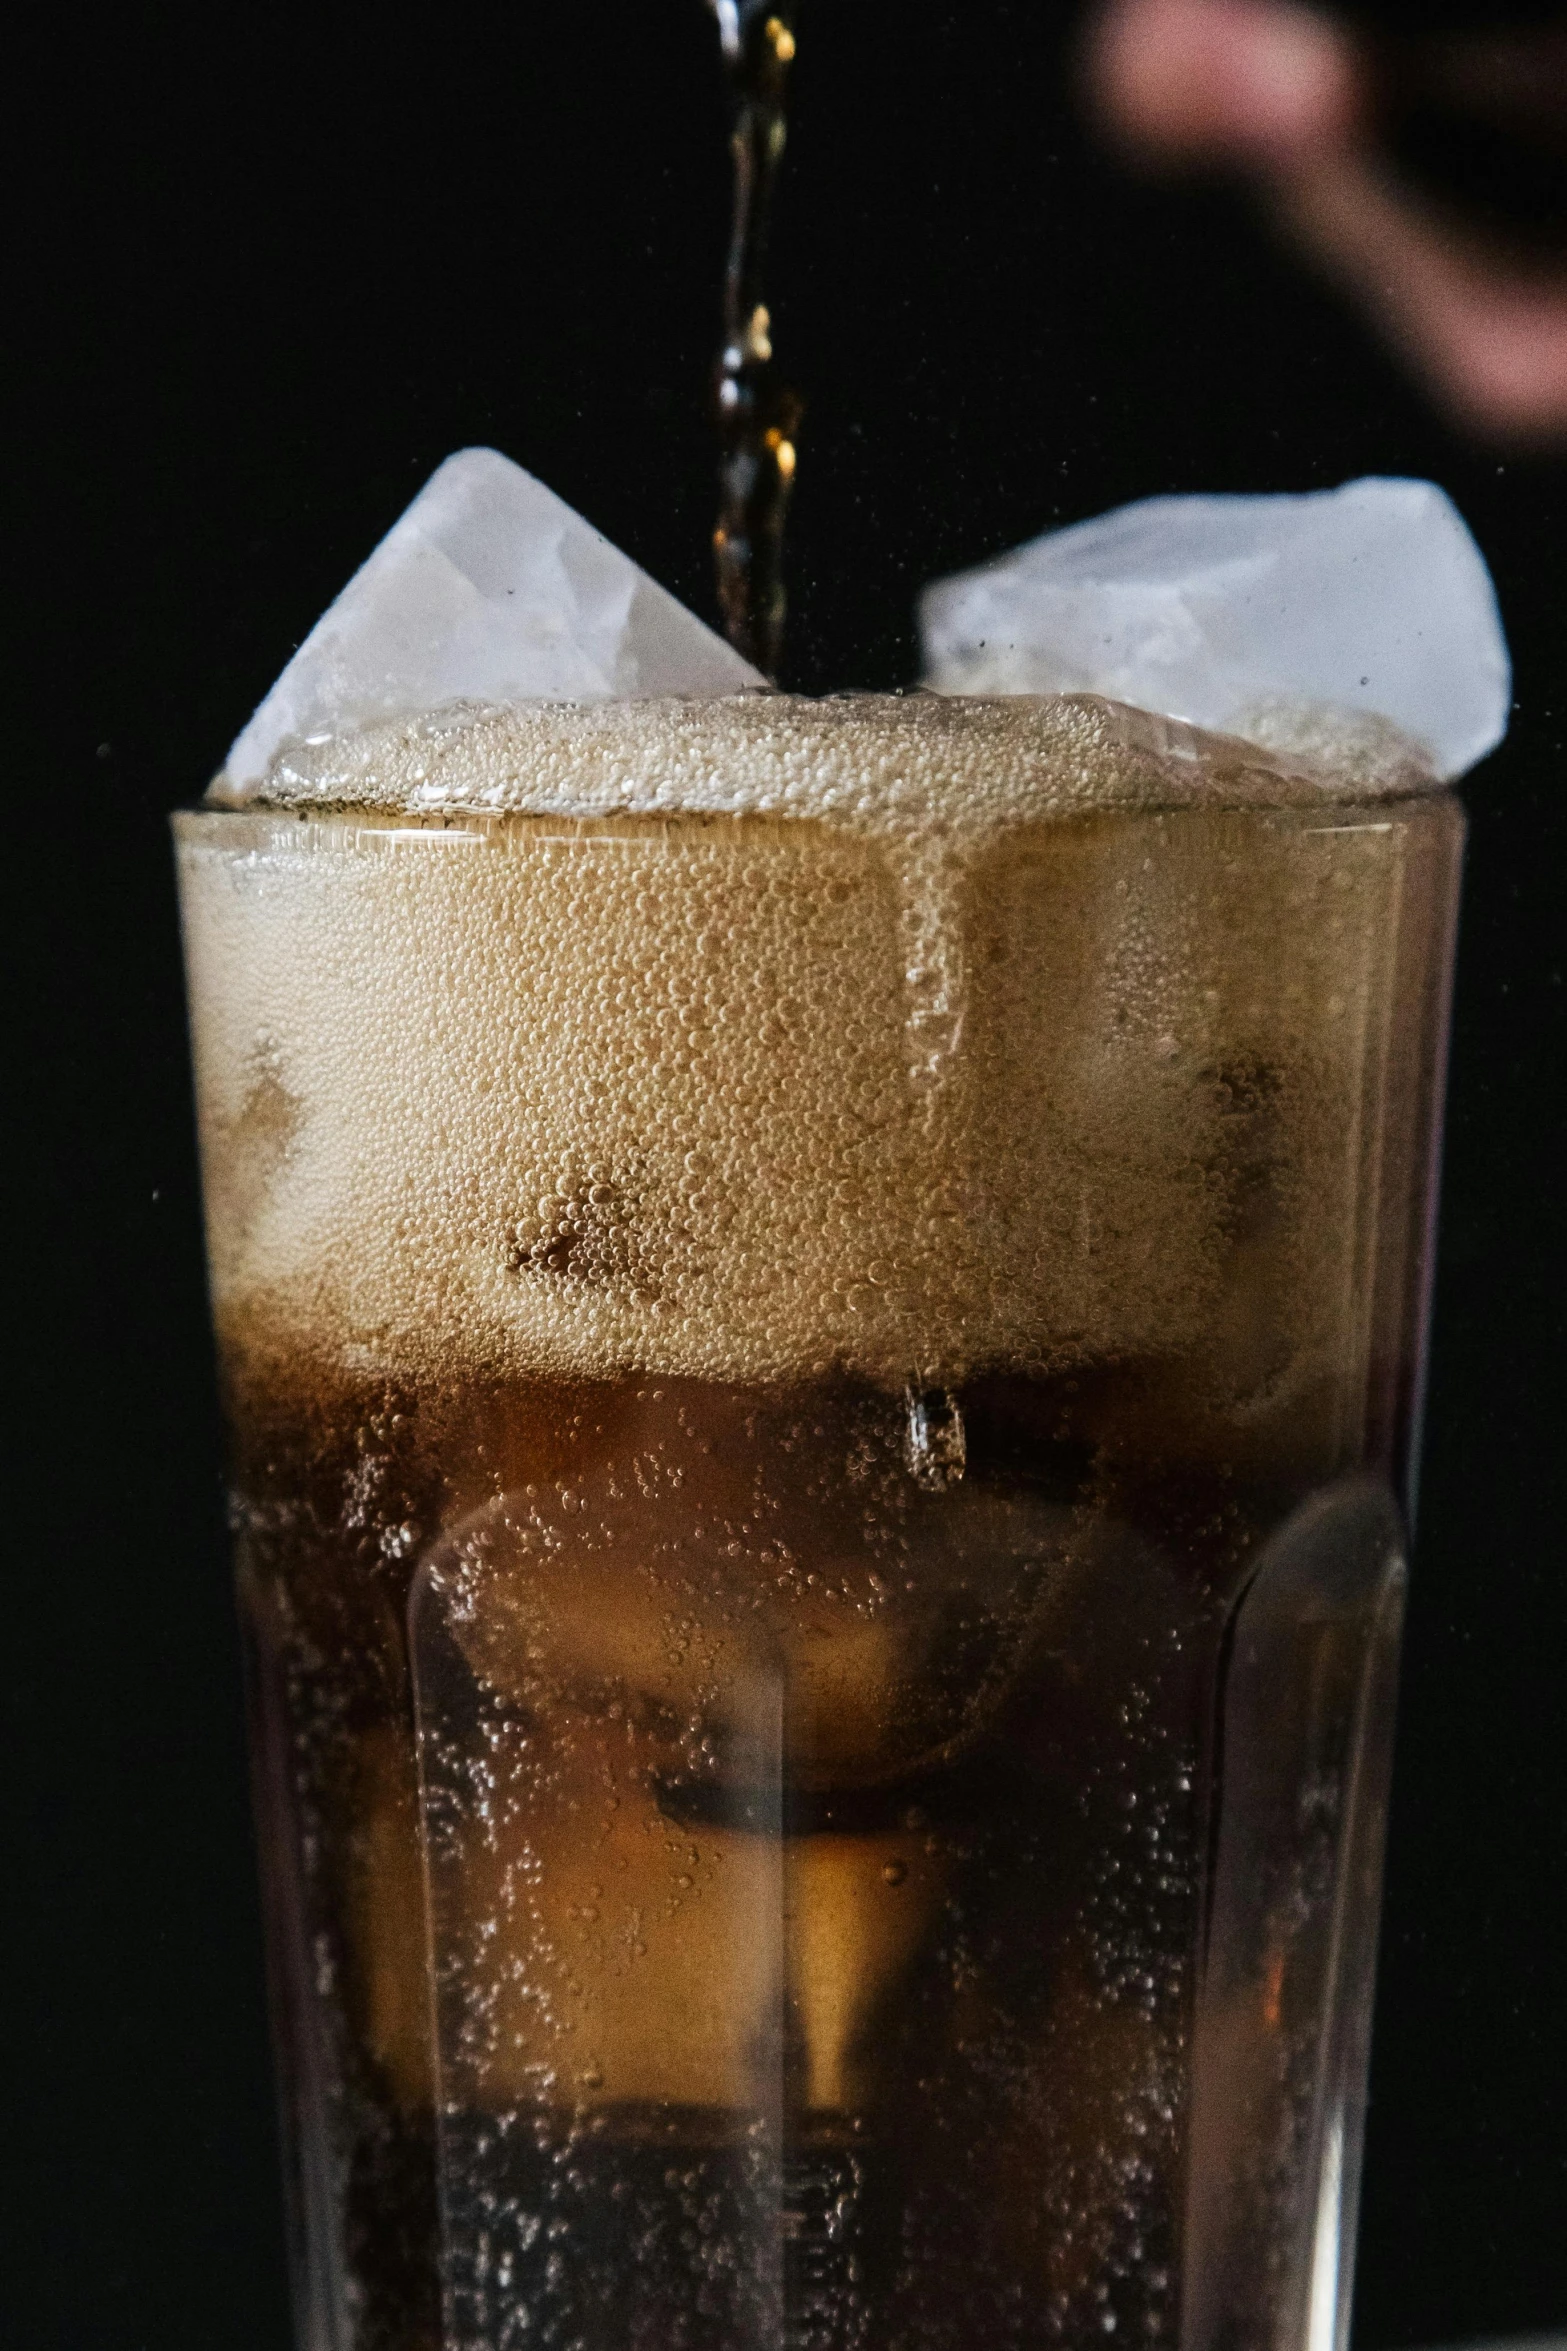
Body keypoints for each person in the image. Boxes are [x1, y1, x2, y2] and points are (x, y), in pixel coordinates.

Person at [1085, 0, 1567, 437]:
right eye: (1214, 113)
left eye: (1220, 44)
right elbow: (1497, 370)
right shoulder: (1334, 197)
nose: (1258, 86)